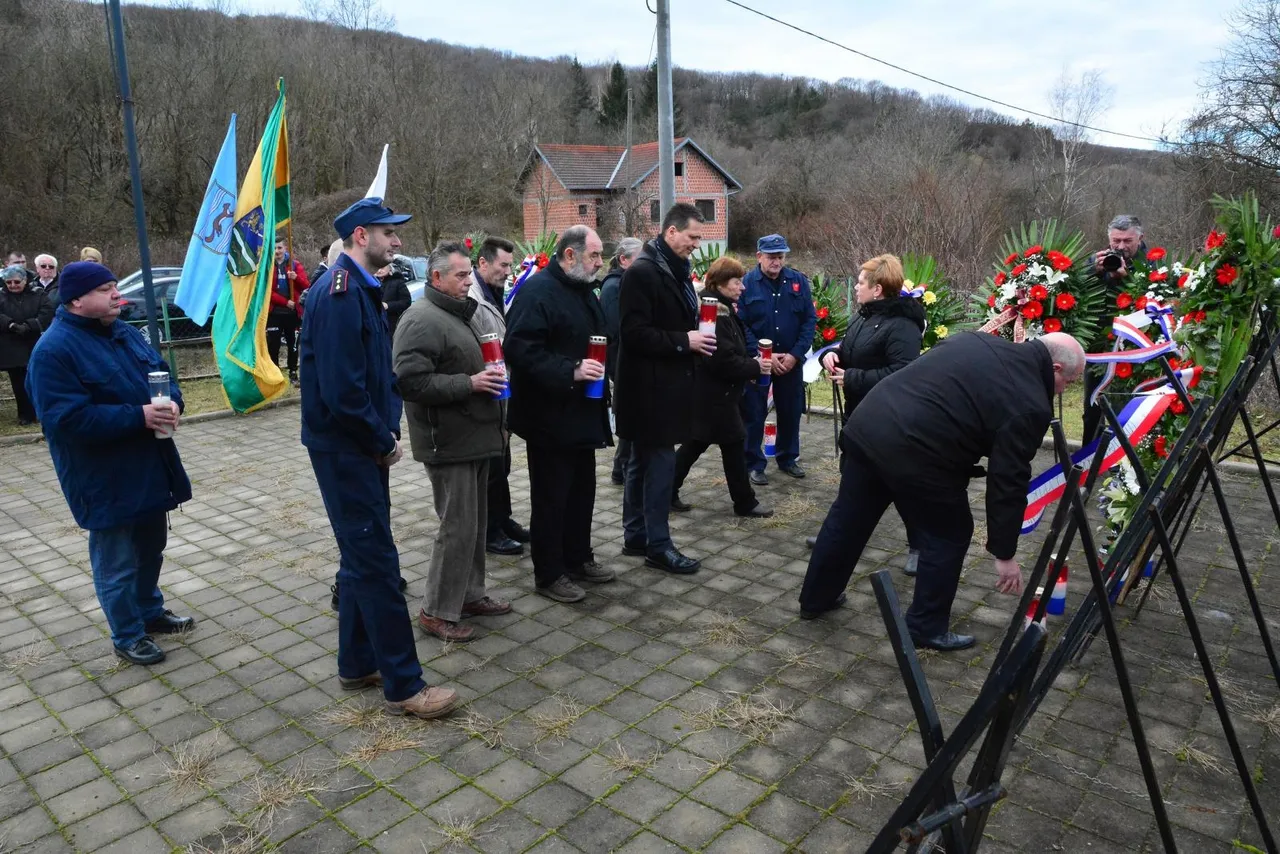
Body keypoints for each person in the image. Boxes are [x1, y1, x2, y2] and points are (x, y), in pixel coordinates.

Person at [798, 331, 1086, 652]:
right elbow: (1008, 482)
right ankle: (925, 627)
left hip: (870, 426)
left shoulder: (975, 339)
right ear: (1056, 368)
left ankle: (816, 599)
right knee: (948, 534)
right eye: (1069, 382)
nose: (1064, 390)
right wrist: (1004, 553)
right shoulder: (1031, 404)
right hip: (919, 453)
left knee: (848, 519)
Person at [299, 197, 457, 719]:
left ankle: (356, 662)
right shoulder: (340, 295)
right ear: (361, 236)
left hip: (356, 446)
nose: (398, 241)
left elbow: (373, 375)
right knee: (377, 564)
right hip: (348, 449)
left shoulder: (359, 288)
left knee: (360, 557)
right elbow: (343, 392)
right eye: (390, 232)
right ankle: (405, 686)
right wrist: (382, 440)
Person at [25, 261, 195, 665]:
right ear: (76, 299)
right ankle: (128, 634)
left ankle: (150, 612)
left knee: (151, 546)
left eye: (115, 286)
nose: (116, 294)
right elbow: (64, 420)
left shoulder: (122, 331)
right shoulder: (53, 351)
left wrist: (172, 400)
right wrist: (138, 416)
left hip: (149, 463)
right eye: (105, 289)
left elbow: (161, 373)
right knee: (117, 559)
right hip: (101, 476)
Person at [394, 241, 512, 642]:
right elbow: (410, 382)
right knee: (456, 527)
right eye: (460, 276)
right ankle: (436, 610)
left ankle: (470, 594)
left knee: (474, 525)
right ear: (436, 277)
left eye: (468, 274)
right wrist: (470, 383)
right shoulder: (420, 319)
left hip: (477, 434)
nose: (468, 282)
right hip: (447, 440)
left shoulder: (468, 313)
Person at [505, 225, 616, 602]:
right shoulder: (537, 292)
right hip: (548, 416)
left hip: (582, 412)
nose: (600, 263)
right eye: (595, 256)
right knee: (552, 498)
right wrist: (571, 369)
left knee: (582, 492)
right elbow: (519, 351)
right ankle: (549, 573)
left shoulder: (583, 290)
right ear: (570, 256)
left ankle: (578, 556)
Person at [808, 254, 926, 574]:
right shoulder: (862, 316)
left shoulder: (904, 325)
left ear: (877, 289)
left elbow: (903, 373)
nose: (856, 287)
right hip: (857, 415)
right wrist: (831, 357)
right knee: (851, 479)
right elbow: (850, 350)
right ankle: (834, 536)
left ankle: (919, 544)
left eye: (861, 283)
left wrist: (852, 377)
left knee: (900, 488)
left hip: (889, 423)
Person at [615, 203, 714, 574]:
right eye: (692, 237)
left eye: (699, 238)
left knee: (641, 462)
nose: (696, 245)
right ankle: (658, 545)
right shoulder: (642, 272)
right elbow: (633, 333)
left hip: (665, 386)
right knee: (657, 465)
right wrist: (682, 341)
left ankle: (635, 535)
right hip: (648, 390)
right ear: (670, 232)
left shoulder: (675, 268)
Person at [671, 256, 773, 518]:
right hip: (715, 394)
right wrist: (754, 367)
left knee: (697, 442)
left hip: (715, 393)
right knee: (733, 445)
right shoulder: (712, 313)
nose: (743, 287)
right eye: (737, 282)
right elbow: (720, 360)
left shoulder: (722, 308)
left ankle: (667, 489)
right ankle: (745, 502)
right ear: (719, 284)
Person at [465, 236, 530, 556]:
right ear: (483, 263)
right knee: (490, 465)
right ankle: (490, 531)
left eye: (510, 265)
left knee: (502, 461)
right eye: (503, 265)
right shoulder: (472, 296)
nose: (508, 271)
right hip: (486, 388)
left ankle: (503, 519)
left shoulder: (497, 290)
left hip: (502, 388)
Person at [738, 234, 817, 485]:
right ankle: (754, 463)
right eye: (772, 256)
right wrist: (764, 355)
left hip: (790, 361)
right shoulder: (746, 284)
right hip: (759, 362)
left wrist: (795, 355)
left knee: (790, 410)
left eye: (781, 256)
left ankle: (787, 457)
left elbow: (809, 321)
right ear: (759, 256)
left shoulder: (798, 282)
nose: (776, 261)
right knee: (754, 412)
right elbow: (742, 324)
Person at [1084, 214, 1149, 441]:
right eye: (1116, 241)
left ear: (1140, 238)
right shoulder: (1097, 260)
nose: (1121, 247)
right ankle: (1087, 459)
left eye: (1127, 241)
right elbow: (1077, 290)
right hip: (1099, 344)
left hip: (1136, 347)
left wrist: (1128, 278)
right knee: (1093, 402)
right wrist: (1093, 270)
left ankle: (1121, 461)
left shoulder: (1153, 263)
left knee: (1126, 406)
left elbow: (1156, 299)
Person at [600, 237, 643, 485]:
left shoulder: (625, 283)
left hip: (626, 359)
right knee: (630, 413)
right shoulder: (613, 288)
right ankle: (623, 468)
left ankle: (622, 467)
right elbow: (619, 330)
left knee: (633, 413)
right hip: (620, 360)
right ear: (624, 260)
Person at [0, 265, 54, 424]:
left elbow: (47, 312)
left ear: (25, 281)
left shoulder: (38, 294)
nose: (13, 286)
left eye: (16, 282)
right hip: (10, 346)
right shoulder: (1, 295)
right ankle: (25, 415)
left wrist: (30, 325)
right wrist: (10, 324)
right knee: (18, 383)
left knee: (37, 380)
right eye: (9, 282)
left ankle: (41, 411)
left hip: (33, 343)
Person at [267, 238, 310, 385]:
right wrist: (285, 302)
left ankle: (293, 372)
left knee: (293, 344)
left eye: (279, 248)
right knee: (273, 345)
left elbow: (306, 286)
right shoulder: (267, 267)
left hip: (292, 314)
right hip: (274, 313)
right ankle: (275, 375)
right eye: (274, 248)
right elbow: (267, 292)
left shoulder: (294, 265)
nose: (277, 251)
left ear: (285, 248)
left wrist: (296, 277)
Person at [377, 261, 412, 336]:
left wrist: (388, 306)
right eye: (377, 267)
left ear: (390, 269)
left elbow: (407, 302)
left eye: (382, 267)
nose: (379, 270)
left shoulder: (398, 282)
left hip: (394, 326)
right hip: (379, 327)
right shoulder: (372, 283)